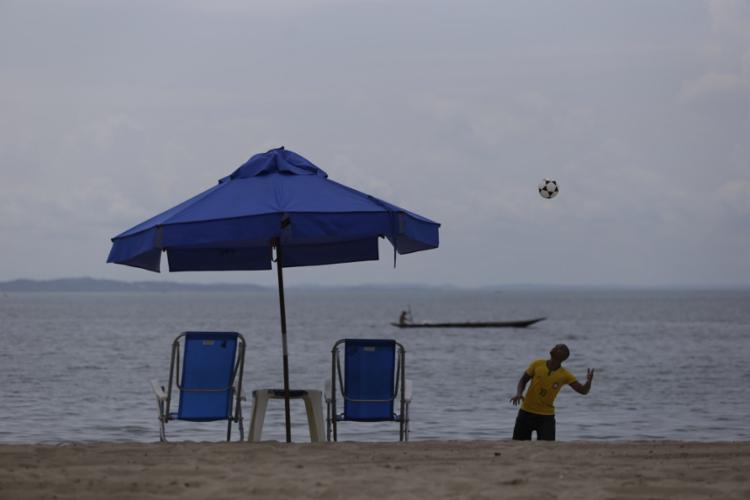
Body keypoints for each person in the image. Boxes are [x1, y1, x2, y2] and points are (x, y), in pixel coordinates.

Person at [509, 344, 594, 441]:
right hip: (526, 413)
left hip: (546, 417)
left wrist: (588, 382)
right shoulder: (537, 364)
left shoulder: (565, 375)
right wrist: (519, 393)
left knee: (547, 446)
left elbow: (583, 391)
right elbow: (523, 380)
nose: (555, 348)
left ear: (563, 357)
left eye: (559, 348)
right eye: (556, 346)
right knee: (519, 444)